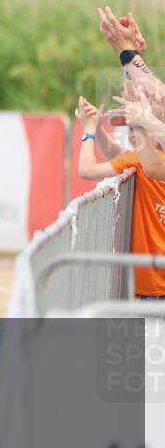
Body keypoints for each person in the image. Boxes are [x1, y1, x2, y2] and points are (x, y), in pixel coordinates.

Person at [77, 92, 165, 299]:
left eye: (139, 127)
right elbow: (117, 153)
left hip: (151, 283)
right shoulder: (143, 160)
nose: (133, 134)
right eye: (131, 128)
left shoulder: (139, 160)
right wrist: (98, 128)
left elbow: (87, 170)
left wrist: (89, 131)